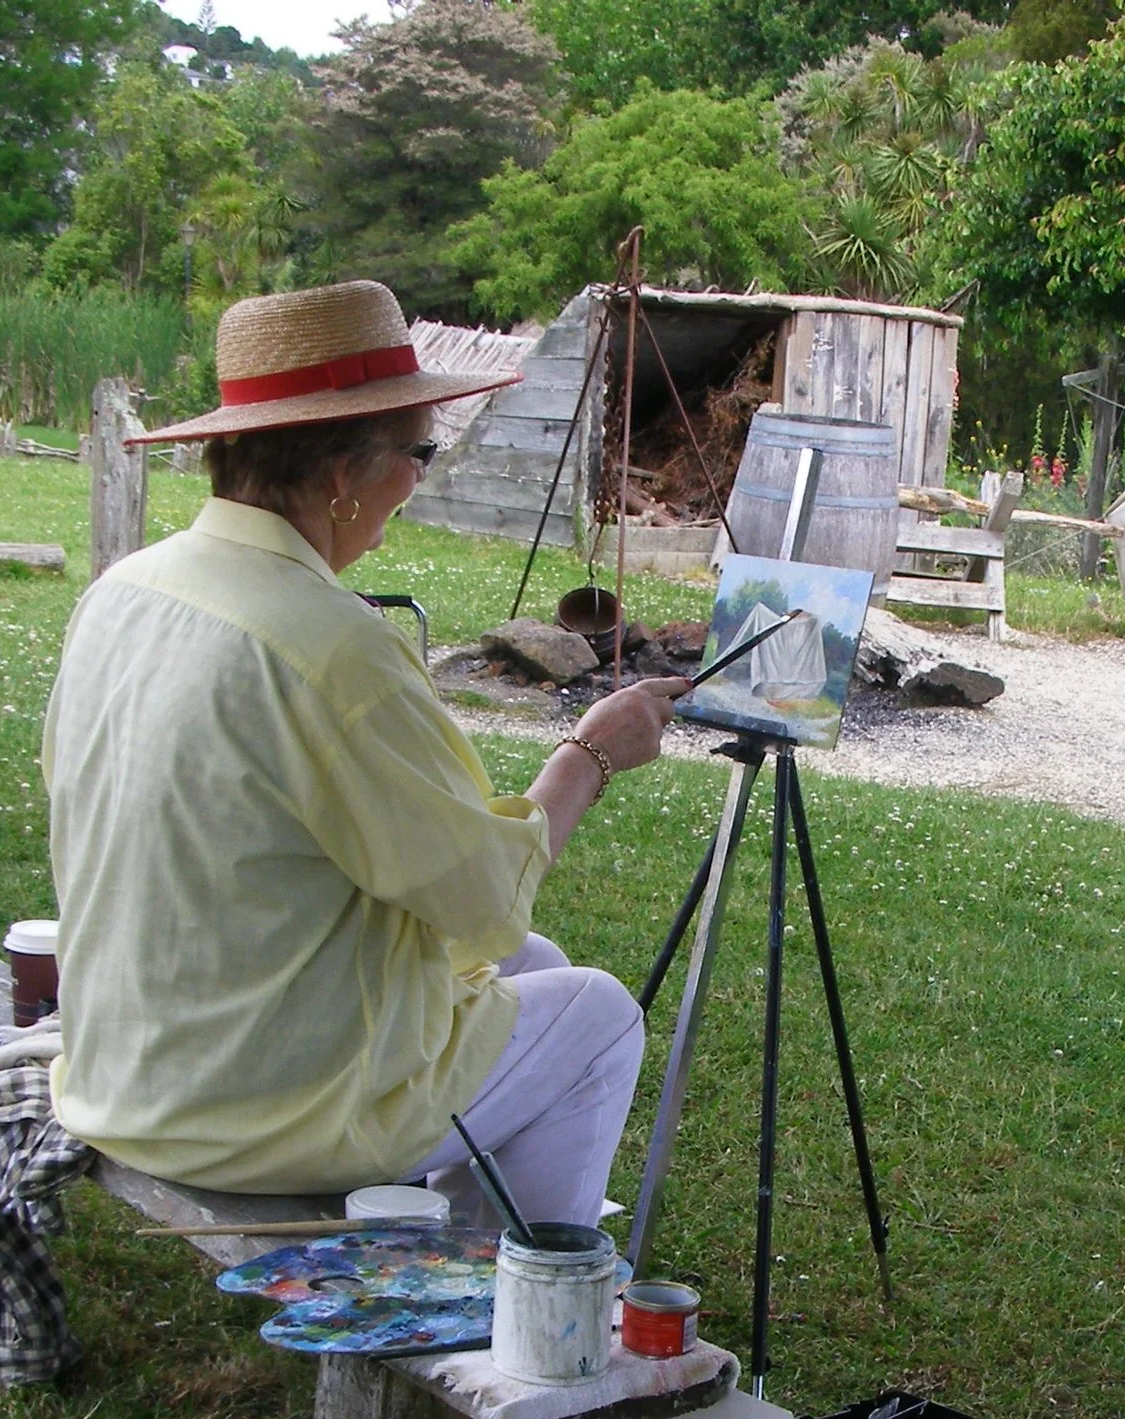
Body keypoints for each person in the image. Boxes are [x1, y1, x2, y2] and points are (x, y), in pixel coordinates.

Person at [41, 280, 688, 1228]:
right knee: (596, 1016)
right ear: (343, 472)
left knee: (533, 963)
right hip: (247, 1112)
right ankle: (503, 1311)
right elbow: (477, 894)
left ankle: (475, 1250)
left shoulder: (125, 591)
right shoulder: (333, 646)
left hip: (128, 1064)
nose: (420, 479)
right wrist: (586, 757)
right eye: (420, 452)